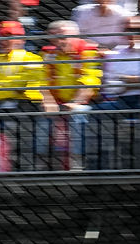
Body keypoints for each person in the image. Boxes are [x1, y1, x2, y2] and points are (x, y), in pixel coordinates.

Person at [0, 20, 48, 171]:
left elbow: (28, 86)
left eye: (10, 37)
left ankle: (27, 170)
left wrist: (2, 86)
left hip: (27, 105)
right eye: (2, 37)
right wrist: (11, 87)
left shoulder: (33, 59)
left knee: (23, 131)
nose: (5, 41)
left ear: (21, 39)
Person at [43, 19, 102, 170]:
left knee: (78, 114)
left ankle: (76, 163)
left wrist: (75, 102)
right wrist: (48, 102)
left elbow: (90, 80)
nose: (58, 41)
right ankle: (42, 163)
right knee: (42, 115)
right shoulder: (48, 53)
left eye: (63, 36)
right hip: (58, 102)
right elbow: (41, 81)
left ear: (76, 36)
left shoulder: (88, 51)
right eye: (54, 37)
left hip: (86, 103)